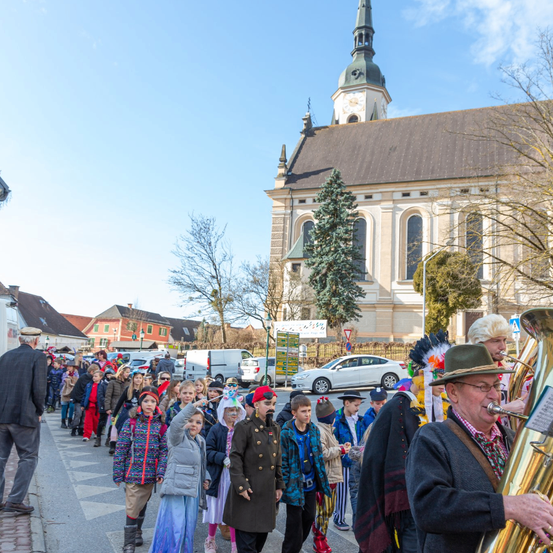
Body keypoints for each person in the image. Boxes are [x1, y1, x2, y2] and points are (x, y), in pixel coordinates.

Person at [405, 343, 553, 552]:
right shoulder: (432, 438)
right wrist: (508, 507)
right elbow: (428, 507)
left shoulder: (513, 438)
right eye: (483, 387)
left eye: (496, 385)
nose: (494, 395)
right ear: (453, 393)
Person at [354, 330, 451, 553]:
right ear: (422, 375)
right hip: (406, 508)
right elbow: (377, 459)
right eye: (439, 373)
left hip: (433, 503)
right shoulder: (397, 407)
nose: (444, 380)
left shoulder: (440, 407)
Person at [223, 386, 284, 553]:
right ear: (256, 404)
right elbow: (235, 458)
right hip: (248, 492)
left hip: (266, 493)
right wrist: (241, 485)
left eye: (273, 404)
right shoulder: (244, 427)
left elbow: (277, 458)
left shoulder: (276, 428)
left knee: (259, 544)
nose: (271, 407)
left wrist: (279, 484)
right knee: (247, 546)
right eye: (267, 403)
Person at [149, 398, 210, 553]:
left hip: (192, 491)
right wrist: (193, 406)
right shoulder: (176, 437)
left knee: (188, 527)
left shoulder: (201, 441)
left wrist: (205, 478)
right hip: (176, 489)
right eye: (190, 421)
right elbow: (176, 423)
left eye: (198, 422)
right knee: (173, 527)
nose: (194, 425)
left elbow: (202, 464)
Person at [113, 387, 168, 553]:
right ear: (141, 403)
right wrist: (118, 473)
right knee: (132, 505)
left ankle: (137, 530)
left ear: (157, 403)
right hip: (132, 473)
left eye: (152, 401)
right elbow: (121, 448)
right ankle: (128, 543)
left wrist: (160, 471)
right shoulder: (132, 423)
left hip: (150, 475)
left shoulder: (161, 426)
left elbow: (164, 451)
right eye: (146, 401)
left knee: (142, 504)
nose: (149, 404)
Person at [0, 327, 47, 514]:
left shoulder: (5, 357)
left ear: (20, 339)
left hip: (2, 415)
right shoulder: (38, 357)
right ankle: (15, 500)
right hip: (24, 415)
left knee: (1, 458)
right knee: (28, 457)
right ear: (35, 341)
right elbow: (39, 389)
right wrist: (39, 410)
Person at [281, 394, 330, 553]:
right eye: (303, 411)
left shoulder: (314, 430)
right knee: (293, 526)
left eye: (309, 410)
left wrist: (322, 483)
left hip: (311, 486)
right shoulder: (287, 433)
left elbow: (319, 458)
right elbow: (284, 462)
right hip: (295, 487)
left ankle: (295, 548)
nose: (307, 414)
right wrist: (285, 486)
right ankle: (290, 550)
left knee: (309, 519)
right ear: (294, 413)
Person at [204, 388, 246, 553]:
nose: (233, 414)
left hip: (236, 476)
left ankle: (235, 545)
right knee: (216, 509)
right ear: (223, 411)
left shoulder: (241, 429)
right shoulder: (216, 429)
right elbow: (208, 450)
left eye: (236, 410)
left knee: (233, 510)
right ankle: (210, 540)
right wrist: (222, 457)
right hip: (219, 477)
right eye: (230, 410)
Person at [468, 314, 527, 414]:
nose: (503, 346)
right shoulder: (468, 376)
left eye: (504, 340)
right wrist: (504, 411)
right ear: (479, 344)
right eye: (496, 341)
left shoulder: (512, 371)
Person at [313, 398, 350, 553]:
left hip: (332, 477)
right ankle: (318, 538)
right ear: (329, 416)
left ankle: (321, 533)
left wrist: (341, 447)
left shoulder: (328, 429)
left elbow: (330, 449)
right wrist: (340, 451)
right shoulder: (321, 431)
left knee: (328, 510)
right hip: (326, 478)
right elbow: (321, 453)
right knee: (324, 511)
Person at [332, 390, 367, 531]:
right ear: (347, 403)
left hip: (357, 460)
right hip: (343, 461)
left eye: (359, 405)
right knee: (342, 491)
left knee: (356, 491)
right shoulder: (337, 419)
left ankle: (357, 519)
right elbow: (333, 439)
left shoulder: (359, 419)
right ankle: (338, 518)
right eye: (355, 405)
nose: (358, 408)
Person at [106, 365, 131, 454]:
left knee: (122, 427)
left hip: (125, 409)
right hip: (114, 407)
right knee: (114, 426)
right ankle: (112, 443)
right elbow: (108, 396)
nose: (128, 374)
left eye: (129, 372)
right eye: (127, 372)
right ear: (121, 372)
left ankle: (119, 444)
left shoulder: (129, 383)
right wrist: (107, 408)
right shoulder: (113, 382)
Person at [70, 364, 98, 437]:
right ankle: (74, 428)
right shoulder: (84, 378)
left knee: (84, 416)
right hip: (79, 399)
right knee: (78, 414)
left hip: (86, 400)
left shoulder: (92, 380)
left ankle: (81, 429)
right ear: (92, 372)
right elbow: (79, 389)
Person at [95, 367, 116, 447]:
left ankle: (109, 438)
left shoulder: (114, 383)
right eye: (108, 375)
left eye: (111, 375)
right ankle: (98, 438)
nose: (109, 376)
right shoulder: (103, 384)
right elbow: (100, 395)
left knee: (111, 423)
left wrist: (111, 404)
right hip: (103, 406)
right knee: (101, 423)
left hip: (112, 405)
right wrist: (106, 403)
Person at [82, 370, 103, 442]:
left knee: (96, 421)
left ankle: (97, 433)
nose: (94, 378)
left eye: (96, 376)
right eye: (93, 376)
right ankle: (86, 435)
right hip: (89, 405)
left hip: (97, 406)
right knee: (87, 421)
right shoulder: (89, 385)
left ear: (100, 377)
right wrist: (83, 404)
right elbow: (85, 395)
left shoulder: (102, 386)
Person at [60, 361, 79, 428]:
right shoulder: (64, 373)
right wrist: (66, 376)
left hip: (72, 392)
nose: (69, 368)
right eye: (68, 366)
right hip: (65, 392)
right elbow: (62, 383)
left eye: (70, 366)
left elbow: (77, 382)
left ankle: (70, 421)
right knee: (64, 407)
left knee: (71, 407)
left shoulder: (76, 374)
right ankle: (63, 422)